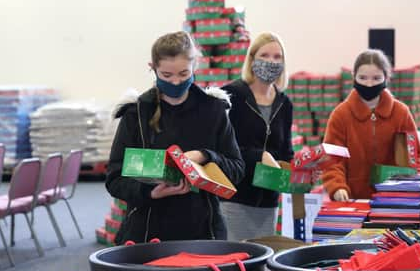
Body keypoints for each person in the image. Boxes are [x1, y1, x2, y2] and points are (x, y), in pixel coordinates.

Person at [105, 31, 245, 243]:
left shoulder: (213, 110)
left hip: (203, 231)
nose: (176, 82)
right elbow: (114, 179)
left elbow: (237, 169)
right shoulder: (137, 114)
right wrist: (150, 192)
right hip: (148, 232)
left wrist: (205, 156)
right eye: (167, 76)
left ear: (194, 66)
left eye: (183, 74)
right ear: (153, 68)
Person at [322, 49, 420, 201]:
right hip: (353, 200)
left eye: (376, 78)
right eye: (363, 78)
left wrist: (415, 186)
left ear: (386, 77)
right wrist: (337, 186)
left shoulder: (401, 113)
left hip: (396, 201)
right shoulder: (341, 115)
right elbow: (331, 159)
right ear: (354, 77)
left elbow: (415, 156)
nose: (369, 84)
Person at [220, 32, 293, 240]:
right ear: (252, 59)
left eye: (277, 57)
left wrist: (302, 170)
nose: (271, 61)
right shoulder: (231, 96)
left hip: (268, 203)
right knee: (235, 263)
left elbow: (286, 152)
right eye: (265, 55)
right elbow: (223, 149)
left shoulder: (284, 103)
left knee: (261, 265)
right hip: (235, 199)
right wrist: (260, 156)